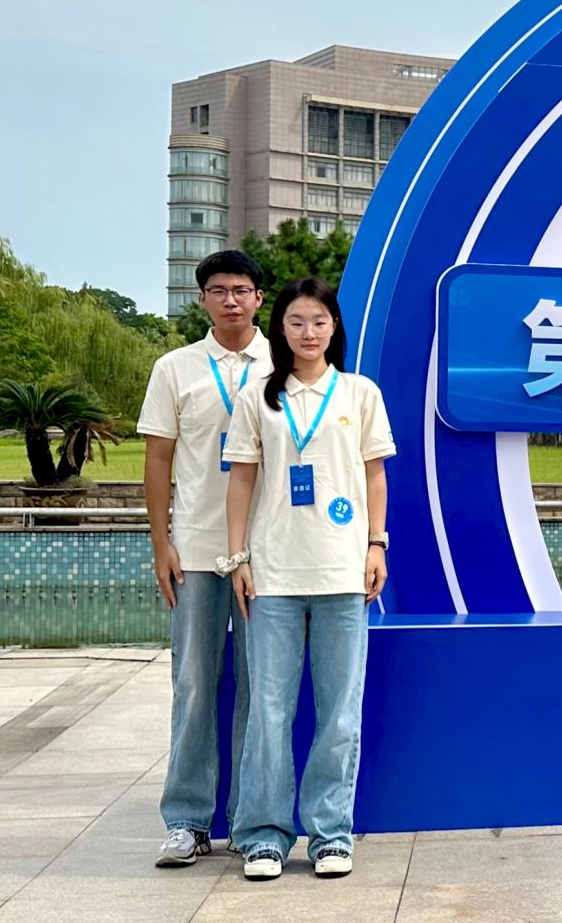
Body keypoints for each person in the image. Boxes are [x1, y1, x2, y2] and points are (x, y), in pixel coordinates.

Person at [219, 278, 393, 881]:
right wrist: (238, 558)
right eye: (296, 322)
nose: (308, 332)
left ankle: (330, 834)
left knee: (340, 711)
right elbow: (241, 480)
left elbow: (374, 475)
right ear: (281, 328)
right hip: (273, 575)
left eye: (319, 321)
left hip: (344, 572)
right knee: (268, 710)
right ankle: (264, 836)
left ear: (333, 327)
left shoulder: (359, 393)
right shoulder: (258, 398)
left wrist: (376, 544)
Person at [139, 250, 269, 867]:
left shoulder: (286, 366)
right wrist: (160, 542)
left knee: (259, 685)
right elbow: (158, 459)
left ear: (259, 298)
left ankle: (248, 820)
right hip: (194, 548)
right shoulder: (175, 368)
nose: (231, 300)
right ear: (202, 300)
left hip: (266, 553)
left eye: (241, 289)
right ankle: (187, 821)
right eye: (219, 290)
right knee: (192, 682)